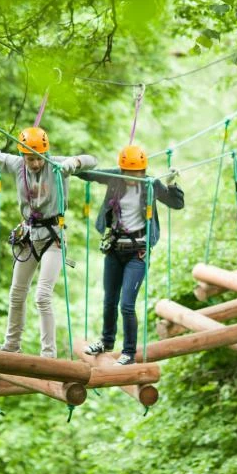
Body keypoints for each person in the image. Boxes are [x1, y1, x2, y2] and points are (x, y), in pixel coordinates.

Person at [0, 128, 97, 358]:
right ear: (23, 155)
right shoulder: (16, 165)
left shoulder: (57, 167)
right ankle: (12, 345)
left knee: (42, 296)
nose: (34, 163)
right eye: (30, 158)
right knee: (16, 293)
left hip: (53, 238)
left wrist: (74, 162)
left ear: (45, 153)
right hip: (29, 236)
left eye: (38, 158)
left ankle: (48, 354)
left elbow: (92, 160)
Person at [79, 144, 184, 365]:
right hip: (115, 249)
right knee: (109, 300)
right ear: (122, 170)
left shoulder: (150, 184)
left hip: (138, 253)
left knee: (126, 304)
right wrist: (70, 164)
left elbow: (176, 203)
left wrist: (172, 184)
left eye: (138, 174)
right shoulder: (115, 178)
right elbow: (88, 174)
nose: (133, 178)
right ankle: (106, 342)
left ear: (144, 171)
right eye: (129, 174)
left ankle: (128, 352)